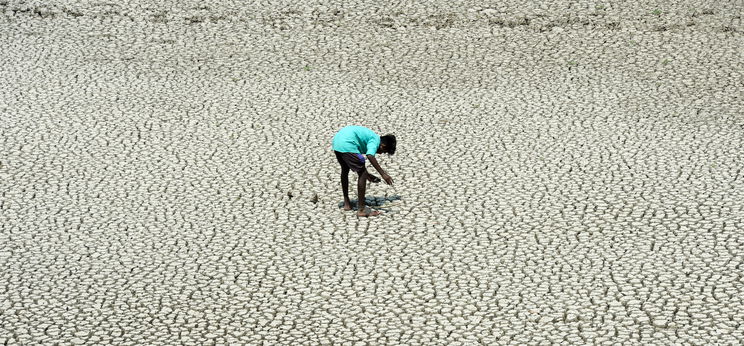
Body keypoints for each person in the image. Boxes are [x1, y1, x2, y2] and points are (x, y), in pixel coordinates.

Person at [332, 125, 396, 217]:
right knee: (362, 173)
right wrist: (383, 174)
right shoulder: (375, 141)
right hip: (347, 144)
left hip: (337, 142)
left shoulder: (372, 136)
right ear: (383, 146)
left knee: (345, 170)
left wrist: (368, 176)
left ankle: (347, 204)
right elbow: (370, 156)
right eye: (383, 152)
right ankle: (361, 209)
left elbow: (355, 162)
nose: (381, 153)